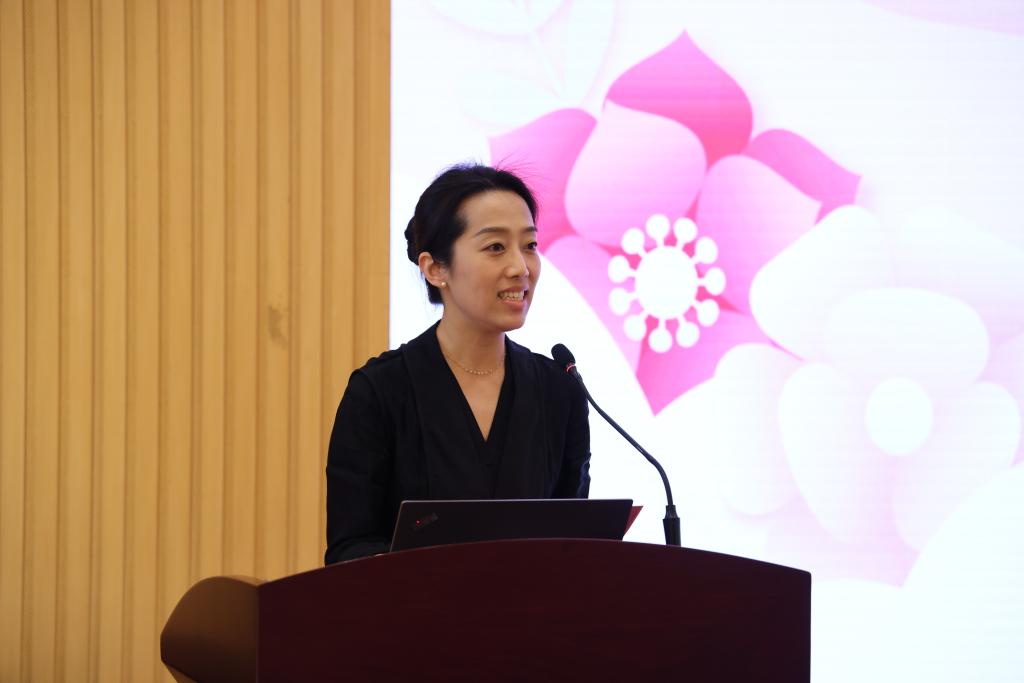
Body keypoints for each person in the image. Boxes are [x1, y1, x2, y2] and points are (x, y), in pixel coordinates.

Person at [325, 164, 591, 564]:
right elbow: (350, 550)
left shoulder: (559, 389)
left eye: (530, 245)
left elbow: (576, 542)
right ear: (435, 268)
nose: (520, 267)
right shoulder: (379, 392)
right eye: (496, 247)